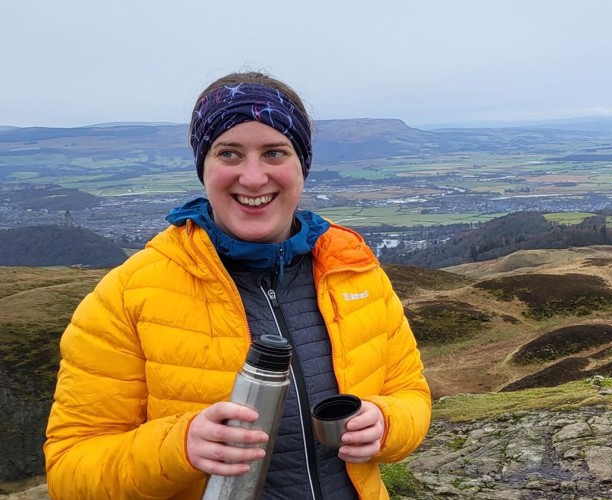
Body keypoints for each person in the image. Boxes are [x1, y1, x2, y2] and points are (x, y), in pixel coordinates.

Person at [44, 71, 432, 499]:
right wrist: (179, 447)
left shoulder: (354, 270)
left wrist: (386, 421)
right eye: (228, 153)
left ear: (301, 165)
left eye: (274, 153)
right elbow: (70, 469)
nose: (252, 177)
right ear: (203, 167)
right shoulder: (126, 296)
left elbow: (411, 395)